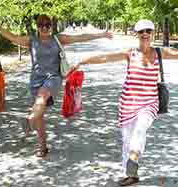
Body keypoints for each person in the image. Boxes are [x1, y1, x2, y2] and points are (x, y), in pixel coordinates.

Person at [0, 14, 113, 157]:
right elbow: (13, 37)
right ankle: (42, 146)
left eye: (47, 25)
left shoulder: (58, 39)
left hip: (53, 78)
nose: (45, 28)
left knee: (41, 98)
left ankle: (28, 122)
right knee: (40, 115)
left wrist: (102, 34)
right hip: (35, 80)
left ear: (51, 26)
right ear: (37, 26)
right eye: (41, 25)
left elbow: (81, 37)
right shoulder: (32, 40)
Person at [75, 19, 178, 186]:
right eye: (141, 31)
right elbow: (104, 57)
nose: (145, 34)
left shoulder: (159, 53)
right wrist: (82, 61)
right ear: (136, 34)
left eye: (148, 31)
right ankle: (131, 174)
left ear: (152, 33)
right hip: (128, 104)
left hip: (149, 103)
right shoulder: (130, 53)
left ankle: (134, 156)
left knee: (141, 128)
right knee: (126, 140)